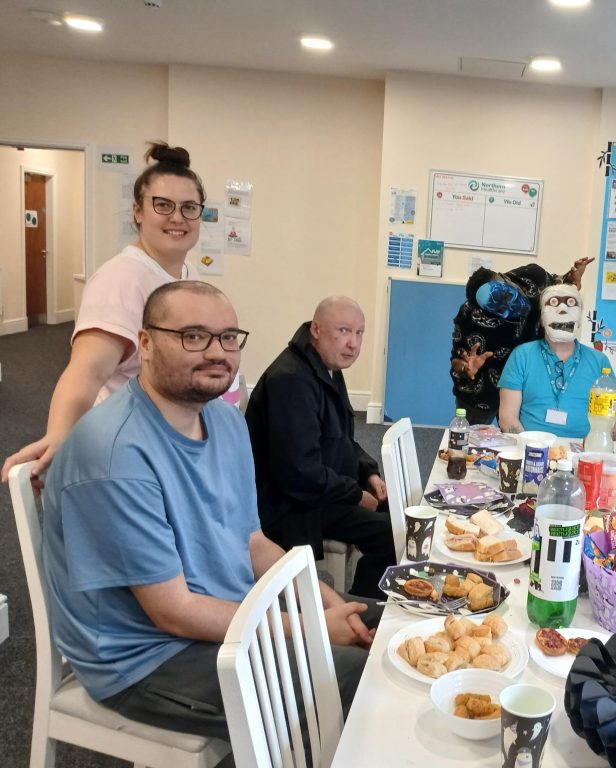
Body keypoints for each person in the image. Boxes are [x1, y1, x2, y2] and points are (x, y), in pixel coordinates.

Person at [42, 281, 379, 743]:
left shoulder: (222, 420)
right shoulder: (116, 452)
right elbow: (174, 613)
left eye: (227, 337)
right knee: (359, 681)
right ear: (145, 343)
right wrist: (309, 626)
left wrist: (317, 596)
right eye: (192, 336)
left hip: (222, 615)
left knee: (393, 625)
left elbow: (252, 541)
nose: (216, 352)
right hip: (149, 659)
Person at [2, 141, 204, 484]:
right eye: (163, 205)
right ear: (138, 211)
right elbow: (87, 371)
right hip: (128, 451)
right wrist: (58, 435)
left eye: (189, 207)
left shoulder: (188, 274)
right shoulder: (122, 278)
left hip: (170, 441)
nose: (177, 217)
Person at [245, 296, 395, 599]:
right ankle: (360, 608)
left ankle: (364, 597)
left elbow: (343, 439)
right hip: (292, 504)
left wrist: (369, 473)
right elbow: (298, 472)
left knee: (405, 515)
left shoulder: (326, 366)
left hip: (322, 488)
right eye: (343, 331)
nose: (353, 343)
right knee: (396, 537)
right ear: (316, 329)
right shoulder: (290, 381)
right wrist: (355, 495)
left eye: (359, 333)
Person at [451, 257, 593, 425]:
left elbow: (558, 289)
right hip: (483, 393)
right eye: (498, 308)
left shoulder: (534, 276)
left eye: (507, 295)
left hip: (523, 387)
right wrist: (466, 367)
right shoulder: (470, 315)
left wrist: (573, 278)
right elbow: (456, 360)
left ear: (504, 277)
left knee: (519, 442)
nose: (509, 306)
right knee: (470, 444)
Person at [498, 283, 616, 438]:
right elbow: (507, 417)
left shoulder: (599, 362)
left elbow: (614, 423)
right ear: (542, 318)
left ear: (580, 317)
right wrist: (531, 448)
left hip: (584, 453)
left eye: (571, 303)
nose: (562, 310)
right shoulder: (522, 356)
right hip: (531, 449)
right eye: (553, 303)